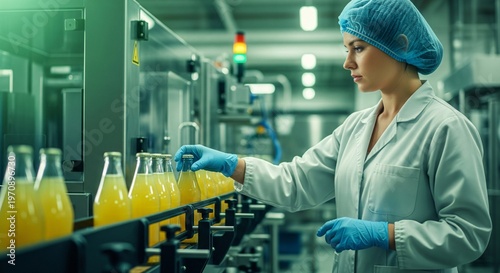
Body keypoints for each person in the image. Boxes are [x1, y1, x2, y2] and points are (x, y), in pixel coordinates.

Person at [174, 0, 492, 272]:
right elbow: (297, 183)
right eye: (346, 49)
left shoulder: (446, 128)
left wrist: (387, 234)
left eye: (358, 48)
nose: (347, 62)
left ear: (402, 44)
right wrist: (231, 165)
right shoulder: (355, 128)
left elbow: (469, 234)